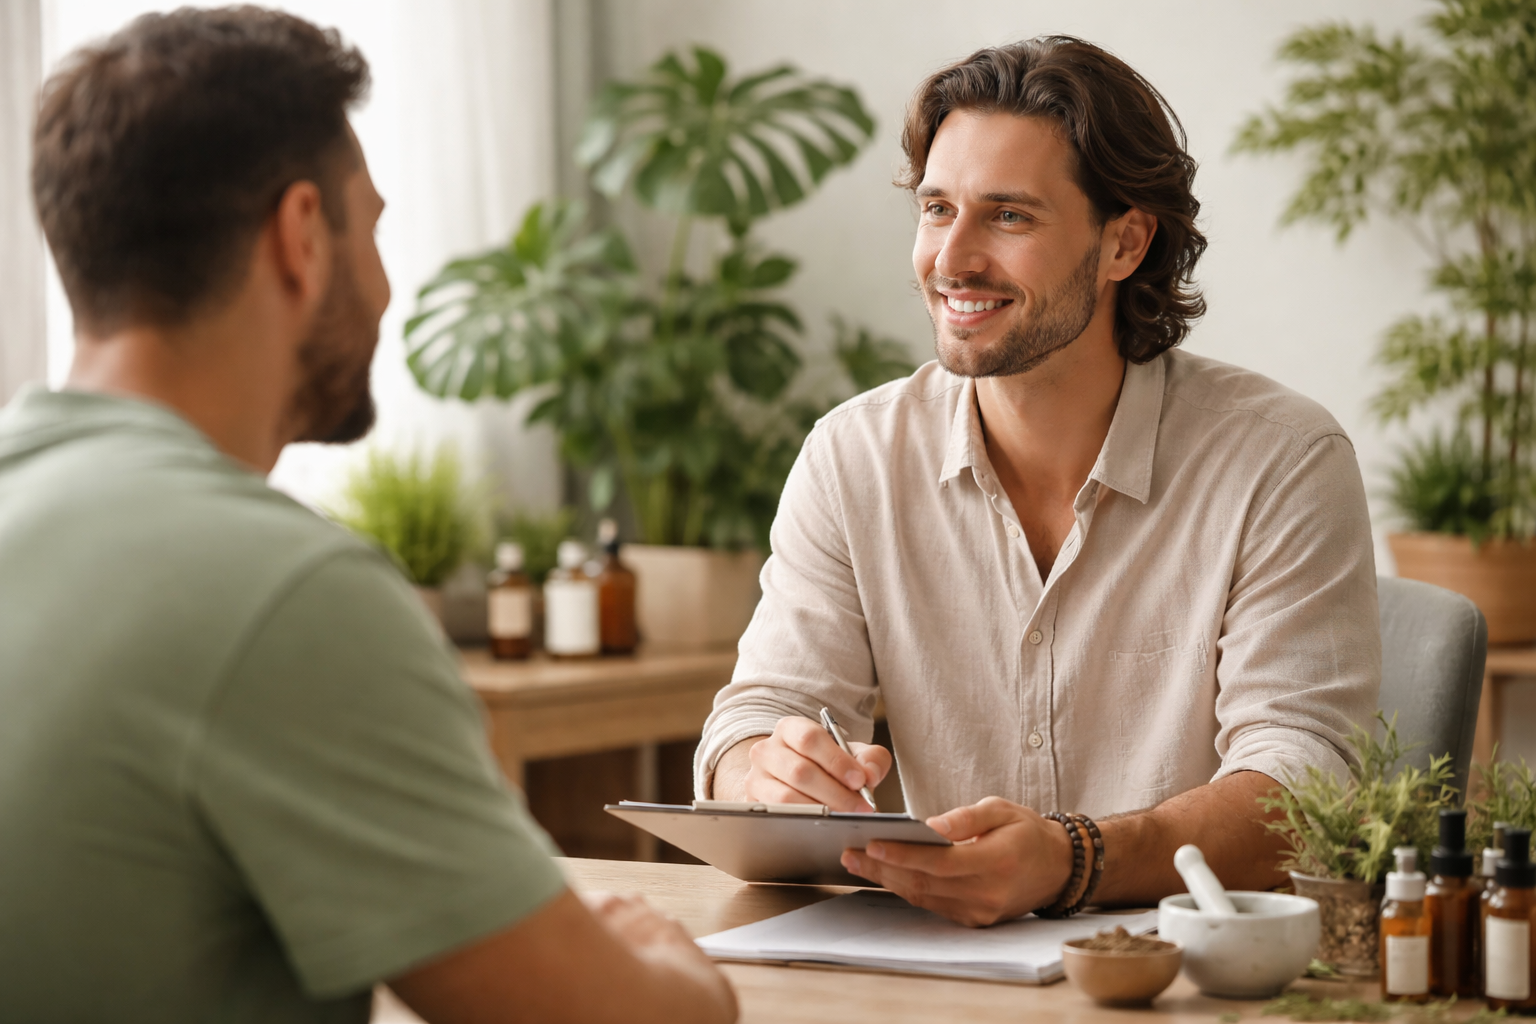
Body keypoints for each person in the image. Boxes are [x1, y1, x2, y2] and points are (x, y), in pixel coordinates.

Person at [0, 9, 734, 1023]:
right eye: (373, 224)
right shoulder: (283, 591)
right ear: (302, 234)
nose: (387, 286)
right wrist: (674, 963)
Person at [697, 36, 1381, 926]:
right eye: (938, 208)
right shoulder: (852, 458)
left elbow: (1306, 783)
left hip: (1197, 981)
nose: (953, 258)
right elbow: (755, 720)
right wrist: (770, 772)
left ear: (1124, 242)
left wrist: (1076, 860)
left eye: (1009, 216)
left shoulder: (1280, 462)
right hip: (937, 981)